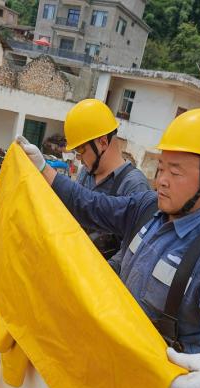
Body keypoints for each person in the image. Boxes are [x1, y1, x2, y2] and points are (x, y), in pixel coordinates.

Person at [17, 109, 200, 388]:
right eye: (160, 168)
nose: (161, 181)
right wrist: (44, 169)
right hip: (118, 367)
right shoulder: (148, 207)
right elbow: (92, 205)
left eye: (175, 173)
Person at [63, 99, 150, 265]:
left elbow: (132, 250)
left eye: (82, 151)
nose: (80, 160)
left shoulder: (134, 185)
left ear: (102, 142)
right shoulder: (85, 174)